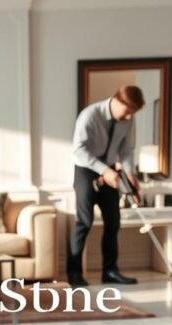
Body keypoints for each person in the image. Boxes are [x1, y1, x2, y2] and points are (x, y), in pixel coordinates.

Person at [68, 85, 145, 287]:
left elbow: (126, 150)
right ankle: (74, 274)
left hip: (111, 170)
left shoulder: (128, 120)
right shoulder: (89, 115)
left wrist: (129, 174)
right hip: (86, 169)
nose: (129, 117)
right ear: (117, 100)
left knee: (114, 222)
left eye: (133, 113)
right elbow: (79, 150)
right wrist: (104, 170)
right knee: (84, 222)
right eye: (128, 111)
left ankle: (110, 271)